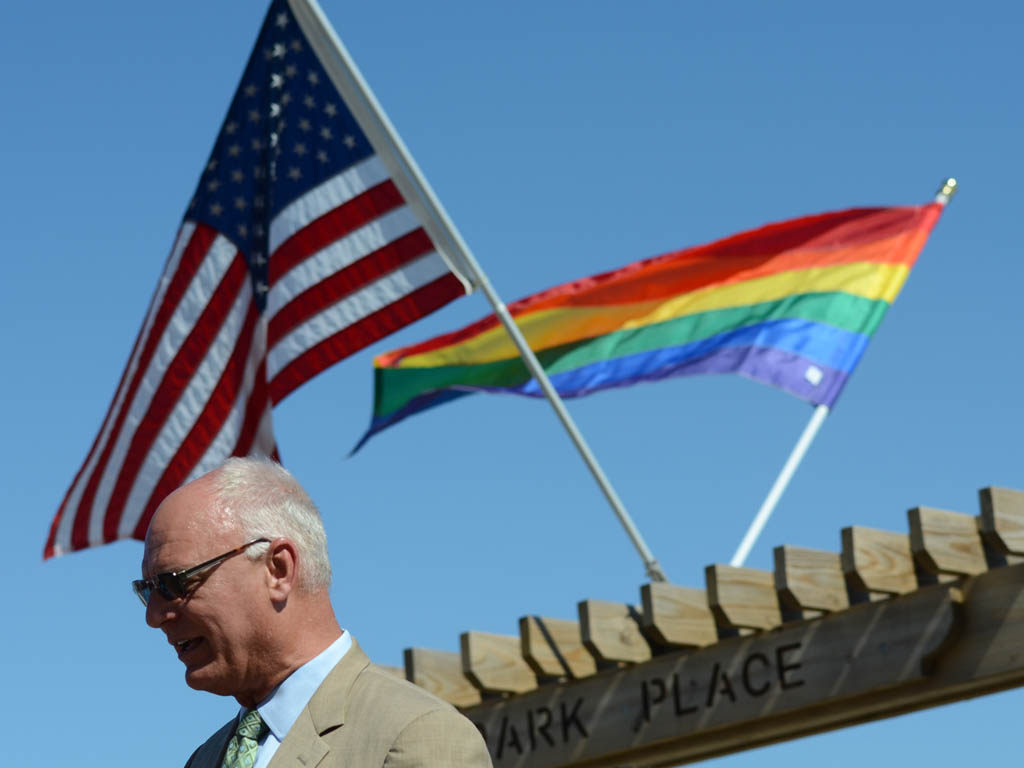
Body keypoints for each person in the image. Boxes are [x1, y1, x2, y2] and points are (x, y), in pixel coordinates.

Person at [135, 456, 492, 768]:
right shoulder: (204, 759)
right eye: (147, 590)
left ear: (278, 569)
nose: (154, 616)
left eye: (173, 584)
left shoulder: (415, 736)